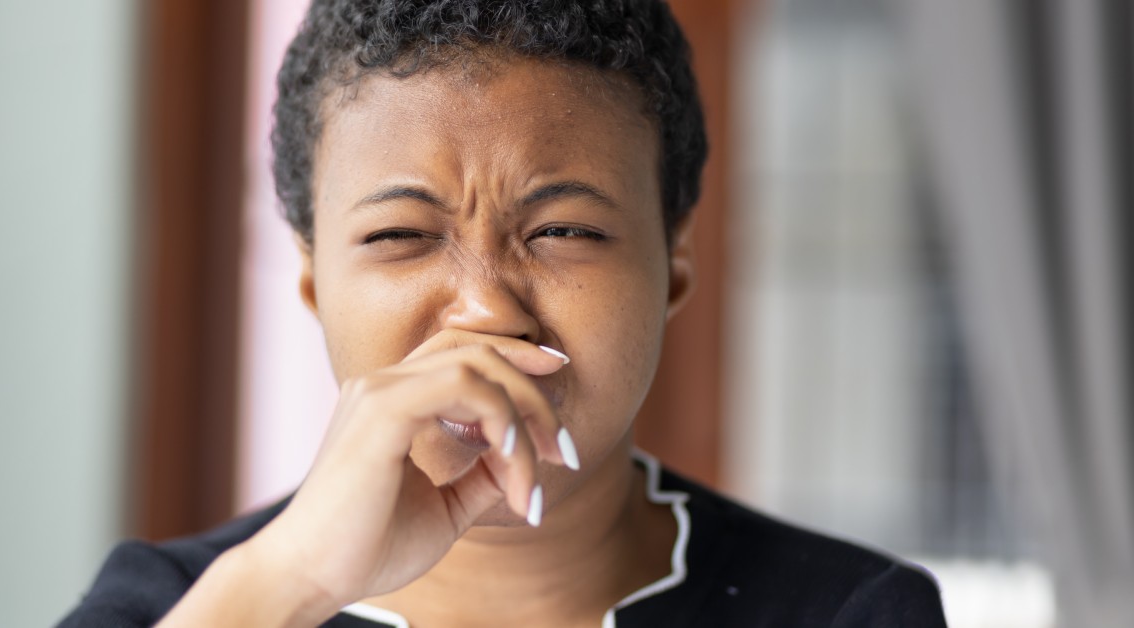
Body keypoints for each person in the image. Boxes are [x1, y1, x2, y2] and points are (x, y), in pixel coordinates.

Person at [59, 1, 947, 626]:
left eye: (563, 230)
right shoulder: (175, 605)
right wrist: (289, 585)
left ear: (675, 261)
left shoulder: (847, 612)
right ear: (313, 280)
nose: (487, 310)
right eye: (402, 235)